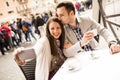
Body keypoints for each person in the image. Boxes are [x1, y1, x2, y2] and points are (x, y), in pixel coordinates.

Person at [55, 1, 120, 57]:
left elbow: (102, 30)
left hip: (97, 53)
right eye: (58, 15)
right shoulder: (63, 30)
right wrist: (81, 43)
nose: (59, 18)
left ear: (71, 13)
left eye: (61, 15)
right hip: (81, 60)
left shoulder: (86, 20)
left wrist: (112, 43)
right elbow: (66, 53)